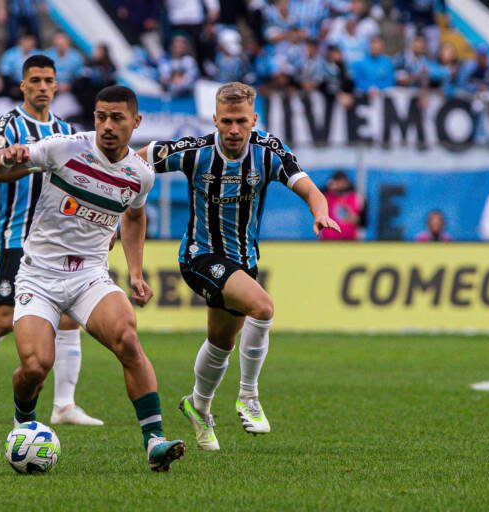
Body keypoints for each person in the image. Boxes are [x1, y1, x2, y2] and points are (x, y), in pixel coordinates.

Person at [0, 85, 185, 471]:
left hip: (89, 277)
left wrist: (134, 272)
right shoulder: (65, 148)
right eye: (101, 117)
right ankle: (24, 424)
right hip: (39, 276)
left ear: (136, 121)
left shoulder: (140, 174)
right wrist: (6, 157)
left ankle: (154, 441)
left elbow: (133, 216)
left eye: (117, 118)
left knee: (127, 338)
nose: (107, 126)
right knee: (35, 366)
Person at [138, 82, 340, 450]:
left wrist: (321, 212)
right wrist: (110, 196)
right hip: (199, 256)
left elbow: (309, 187)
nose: (233, 130)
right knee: (263, 307)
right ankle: (248, 396)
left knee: (222, 341)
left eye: (241, 122)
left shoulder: (269, 151)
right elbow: (139, 158)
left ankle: (198, 405)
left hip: (244, 261)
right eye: (226, 121)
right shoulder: (195, 152)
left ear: (254, 120)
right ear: (214, 119)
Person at [0, 55, 103, 427]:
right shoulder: (10, 123)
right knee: (3, 318)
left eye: (49, 80)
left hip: (61, 240)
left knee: (67, 317)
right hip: (19, 237)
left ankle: (64, 405)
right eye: (36, 80)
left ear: (57, 85)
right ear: (23, 86)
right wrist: (28, 162)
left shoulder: (66, 131)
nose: (43, 86)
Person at [320, 171, 365, 240]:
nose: (339, 185)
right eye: (337, 182)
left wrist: (353, 218)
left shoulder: (355, 197)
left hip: (350, 240)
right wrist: (327, 187)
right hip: (328, 240)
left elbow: (362, 221)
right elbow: (314, 197)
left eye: (342, 182)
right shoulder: (327, 197)